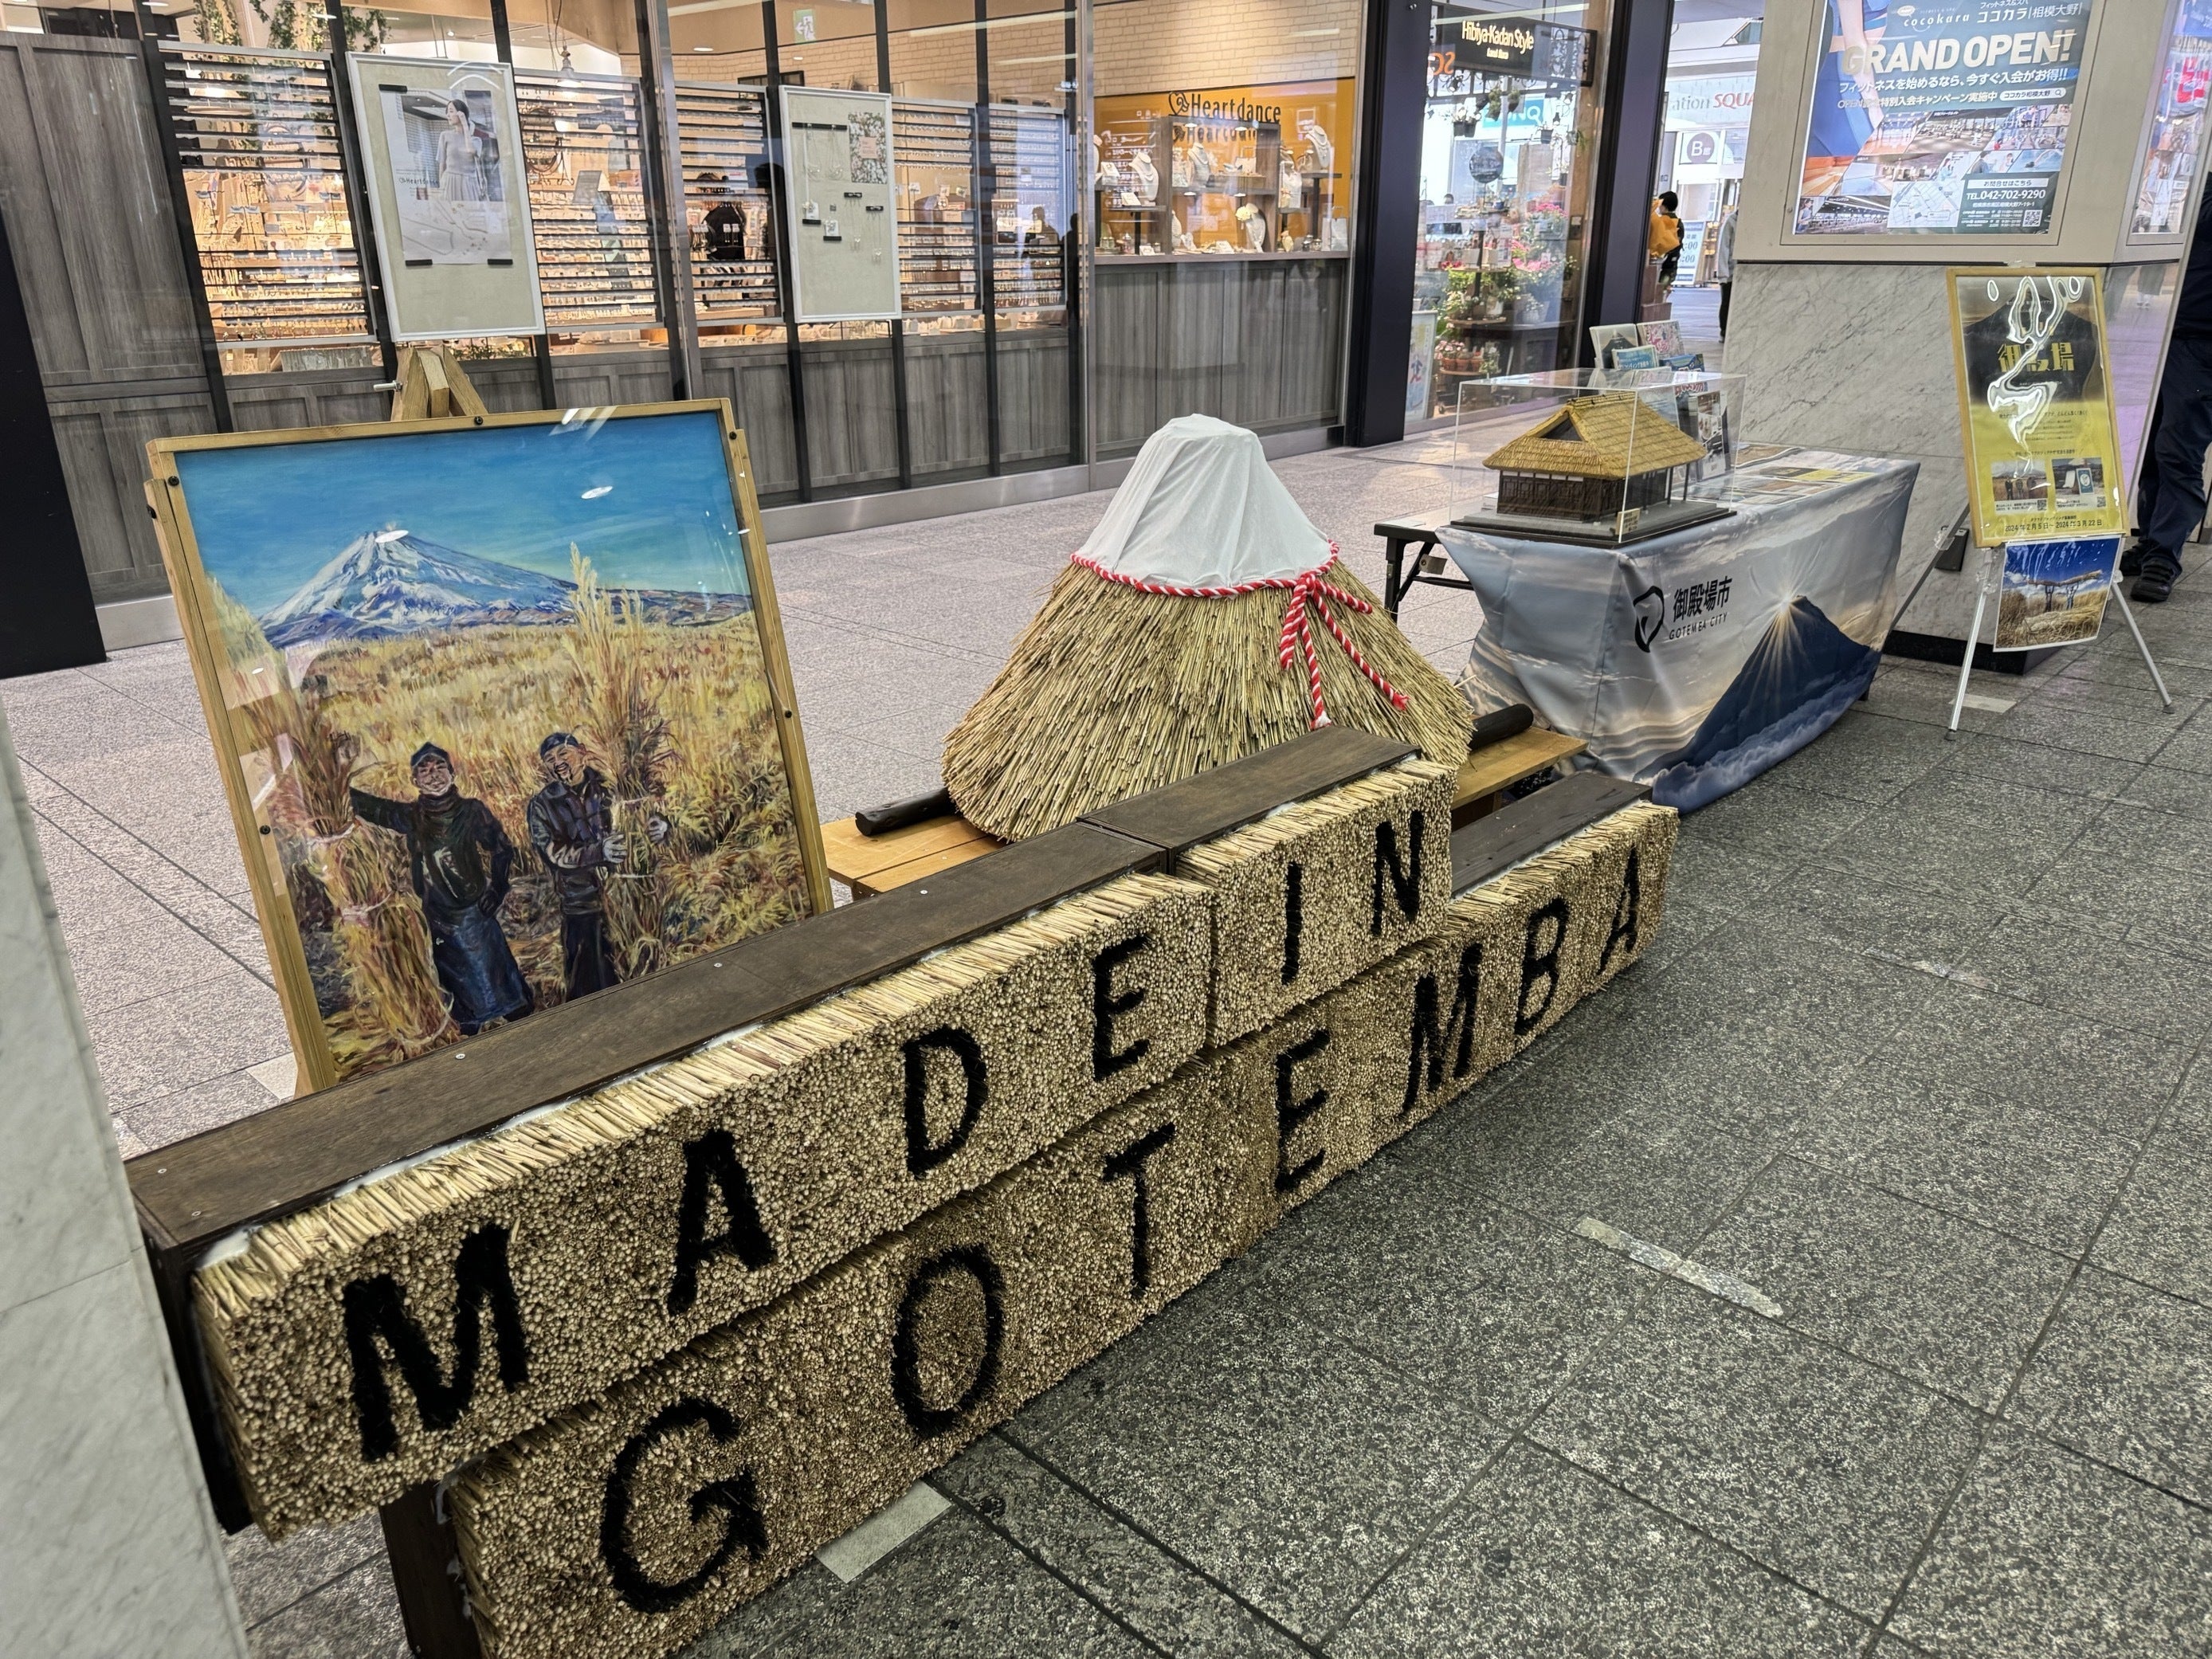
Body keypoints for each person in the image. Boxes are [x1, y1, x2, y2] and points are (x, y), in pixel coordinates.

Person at [351, 742, 533, 1035]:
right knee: (461, 993)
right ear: (415, 780)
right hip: (438, 917)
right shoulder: (412, 816)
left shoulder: (471, 811)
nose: (433, 775)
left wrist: (497, 889)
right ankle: (471, 1037)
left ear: (452, 773)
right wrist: (337, 790)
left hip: (476, 910)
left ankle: (528, 1027)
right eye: (424, 771)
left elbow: (502, 848)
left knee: (501, 983)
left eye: (439, 768)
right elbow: (374, 809)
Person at [525, 732, 667, 1002]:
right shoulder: (542, 805)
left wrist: (661, 826)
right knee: (589, 987)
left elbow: (644, 814)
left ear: (581, 751)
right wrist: (598, 852)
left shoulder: (611, 785)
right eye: (549, 759)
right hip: (582, 905)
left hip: (629, 900)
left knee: (641, 975)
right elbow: (554, 853)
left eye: (563, 754)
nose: (557, 762)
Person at [2128, 188, 2212, 603]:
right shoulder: (2192, 182)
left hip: (2201, 345)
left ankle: (2164, 557)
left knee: (2178, 451)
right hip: (2154, 331)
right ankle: (2149, 542)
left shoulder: (2196, 194)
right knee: (2146, 451)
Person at [1650, 192, 1684, 292]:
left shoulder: (1663, 221)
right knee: (1662, 292)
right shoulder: (1678, 222)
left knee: (1658, 291)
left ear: (1664, 206)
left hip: (1661, 262)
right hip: (1670, 266)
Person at [1713, 206, 1738, 340]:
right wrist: (1723, 274)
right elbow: (1724, 247)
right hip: (1729, 273)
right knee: (1727, 303)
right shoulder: (1732, 221)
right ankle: (1724, 331)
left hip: (1741, 272)